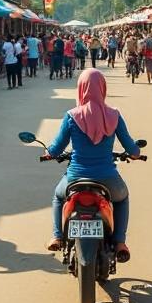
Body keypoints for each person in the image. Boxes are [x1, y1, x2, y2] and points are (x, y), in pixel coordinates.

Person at [43, 69, 141, 260]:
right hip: (107, 179)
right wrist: (136, 153)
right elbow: (131, 147)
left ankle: (56, 236)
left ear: (81, 89)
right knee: (122, 199)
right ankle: (120, 241)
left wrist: (48, 153)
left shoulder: (72, 116)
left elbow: (56, 148)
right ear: (103, 88)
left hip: (75, 178)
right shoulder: (114, 115)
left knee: (58, 196)